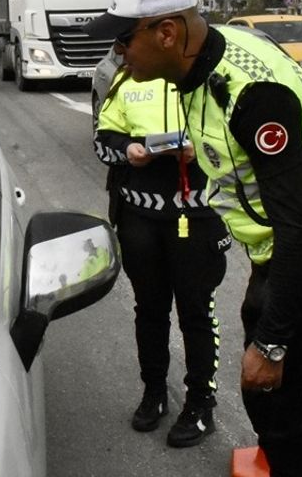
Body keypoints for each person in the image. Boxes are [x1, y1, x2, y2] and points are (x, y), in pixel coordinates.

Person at [85, 0, 302, 475]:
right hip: (277, 254)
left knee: (300, 414)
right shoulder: (194, 68)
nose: (118, 54)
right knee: (267, 402)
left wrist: (273, 341)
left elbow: (299, 227)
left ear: (167, 32)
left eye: (123, 40)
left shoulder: (252, 94)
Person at [93, 67, 229, 447]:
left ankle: (201, 404)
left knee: (196, 312)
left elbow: (237, 144)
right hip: (140, 217)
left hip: (197, 216)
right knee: (149, 310)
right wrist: (126, 151)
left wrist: (199, 149)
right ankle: (154, 392)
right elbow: (102, 139)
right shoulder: (128, 77)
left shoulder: (211, 77)